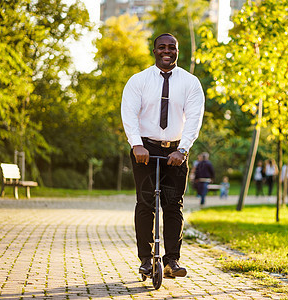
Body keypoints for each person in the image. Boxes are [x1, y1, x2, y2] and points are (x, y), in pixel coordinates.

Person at [121, 33, 204, 279]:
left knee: (173, 205)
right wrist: (136, 144)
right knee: (145, 203)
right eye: (162, 47)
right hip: (145, 149)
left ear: (178, 50)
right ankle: (146, 260)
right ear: (154, 50)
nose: (167, 51)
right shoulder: (139, 80)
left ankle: (172, 261)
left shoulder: (190, 82)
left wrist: (183, 148)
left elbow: (195, 118)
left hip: (176, 150)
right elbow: (129, 113)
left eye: (172, 47)